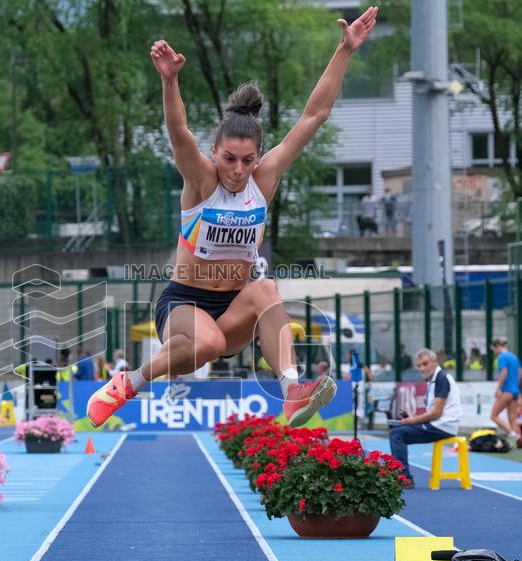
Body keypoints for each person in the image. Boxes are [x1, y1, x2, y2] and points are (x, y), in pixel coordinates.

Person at [87, 7, 378, 428]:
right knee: (208, 343)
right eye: (228, 159)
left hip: (233, 305)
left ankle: (293, 392)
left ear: (258, 157)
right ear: (214, 152)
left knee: (266, 288)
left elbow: (313, 117)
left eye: (247, 160)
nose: (237, 170)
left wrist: (345, 50)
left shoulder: (264, 180)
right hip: (185, 302)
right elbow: (177, 132)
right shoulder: (202, 182)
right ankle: (128, 382)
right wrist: (170, 81)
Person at [388, 349, 461, 489]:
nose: (422, 368)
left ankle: (405, 477)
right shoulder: (434, 379)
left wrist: (412, 421)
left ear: (435, 362)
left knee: (397, 433)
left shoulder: (442, 378)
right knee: (396, 430)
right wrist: (411, 419)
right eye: (419, 365)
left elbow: (436, 413)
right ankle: (401, 475)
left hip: (443, 426)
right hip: (438, 424)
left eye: (425, 364)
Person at [490, 337, 522, 444]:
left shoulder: (502, 357)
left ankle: (512, 434)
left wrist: (498, 388)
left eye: (494, 349)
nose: (494, 352)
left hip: (507, 391)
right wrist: (515, 386)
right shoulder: (513, 356)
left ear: (497, 346)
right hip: (515, 391)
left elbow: (504, 373)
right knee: (513, 418)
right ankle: (518, 441)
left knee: (494, 416)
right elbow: (520, 373)